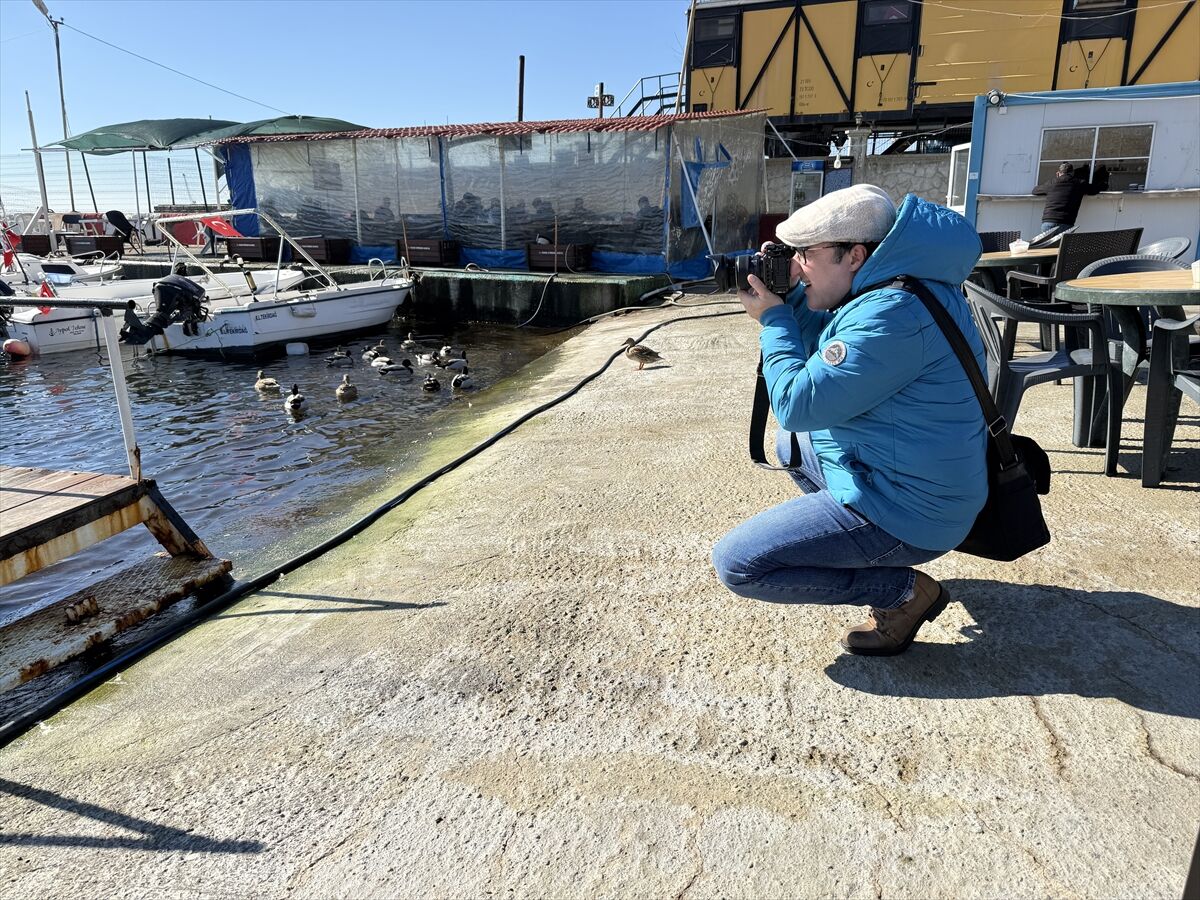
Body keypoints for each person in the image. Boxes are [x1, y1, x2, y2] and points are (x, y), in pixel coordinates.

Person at [710, 184, 988, 656]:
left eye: (804, 255)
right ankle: (848, 539)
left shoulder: (890, 318)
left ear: (854, 255)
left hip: (913, 510)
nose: (796, 265)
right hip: (918, 476)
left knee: (738, 564)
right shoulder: (901, 285)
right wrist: (792, 298)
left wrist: (775, 322)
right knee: (790, 444)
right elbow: (832, 345)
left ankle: (901, 592)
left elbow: (798, 402)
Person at [1032, 162, 1109, 232]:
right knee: (1063, 247)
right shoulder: (1079, 183)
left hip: (1049, 222)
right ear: (1072, 173)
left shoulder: (1052, 183)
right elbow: (1094, 190)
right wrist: (1104, 184)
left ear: (1058, 173)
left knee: (1047, 247)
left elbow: (1035, 191)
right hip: (1066, 222)